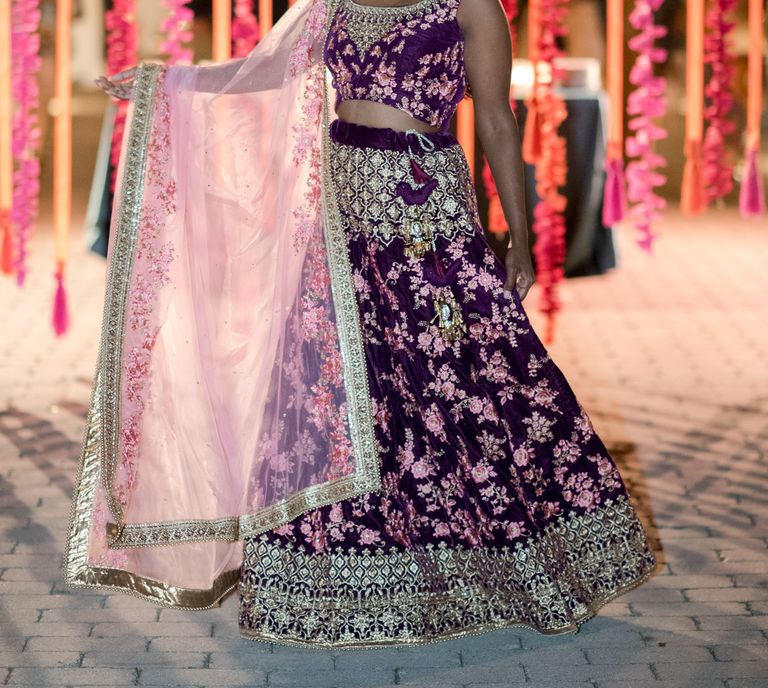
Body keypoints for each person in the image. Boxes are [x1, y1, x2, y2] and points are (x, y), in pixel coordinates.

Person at [66, 0, 656, 648]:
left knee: (464, 382)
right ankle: (336, 573)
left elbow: (495, 119)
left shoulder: (469, 6)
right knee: (332, 393)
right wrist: (167, 83)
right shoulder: (330, 4)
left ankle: (518, 554)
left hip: (423, 210)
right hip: (343, 215)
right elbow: (266, 71)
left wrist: (518, 236)